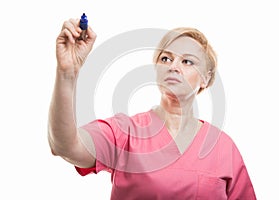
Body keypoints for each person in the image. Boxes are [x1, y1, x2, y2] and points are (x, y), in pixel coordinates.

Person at [48, 18, 257, 200]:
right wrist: (67, 73)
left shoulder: (223, 148)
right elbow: (66, 146)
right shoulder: (125, 132)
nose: (173, 66)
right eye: (166, 58)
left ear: (206, 78)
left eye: (187, 61)